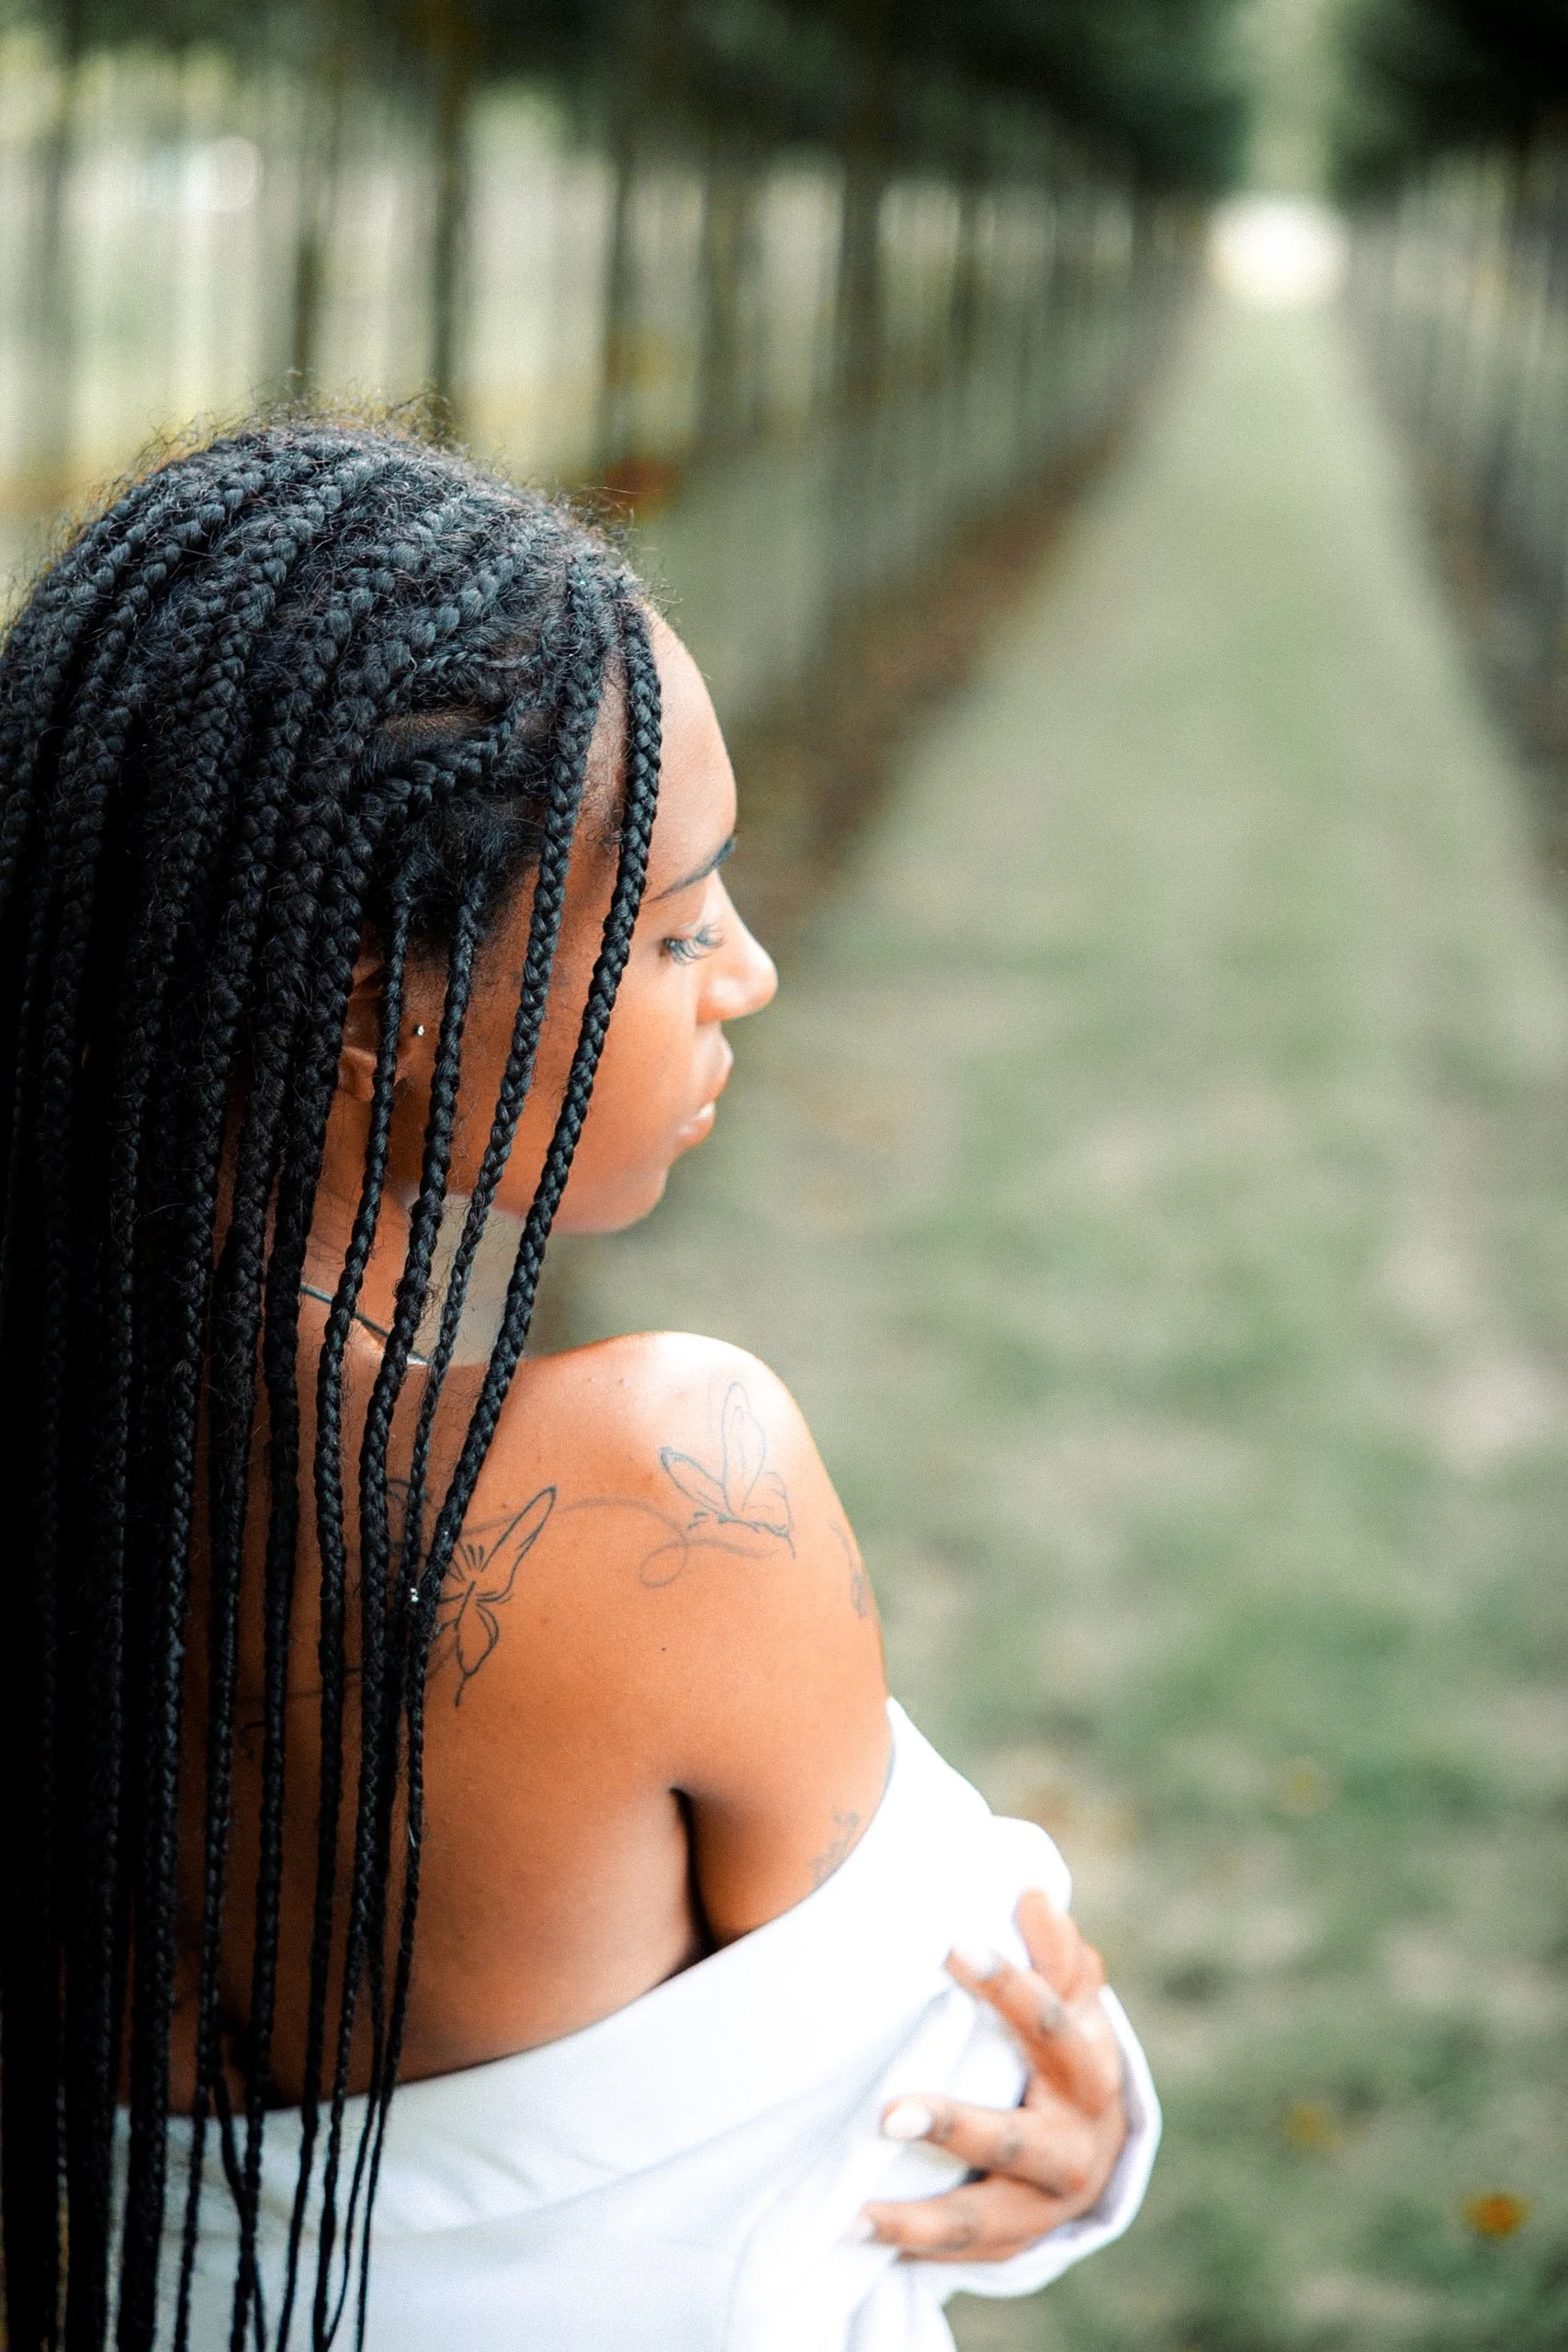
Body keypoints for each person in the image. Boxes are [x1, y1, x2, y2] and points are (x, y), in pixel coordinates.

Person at [0, 424, 1157, 2352]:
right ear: (372, 1007)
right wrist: (1098, 2136)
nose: (748, 973)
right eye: (682, 921)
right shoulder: (665, 1483)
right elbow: (993, 2110)